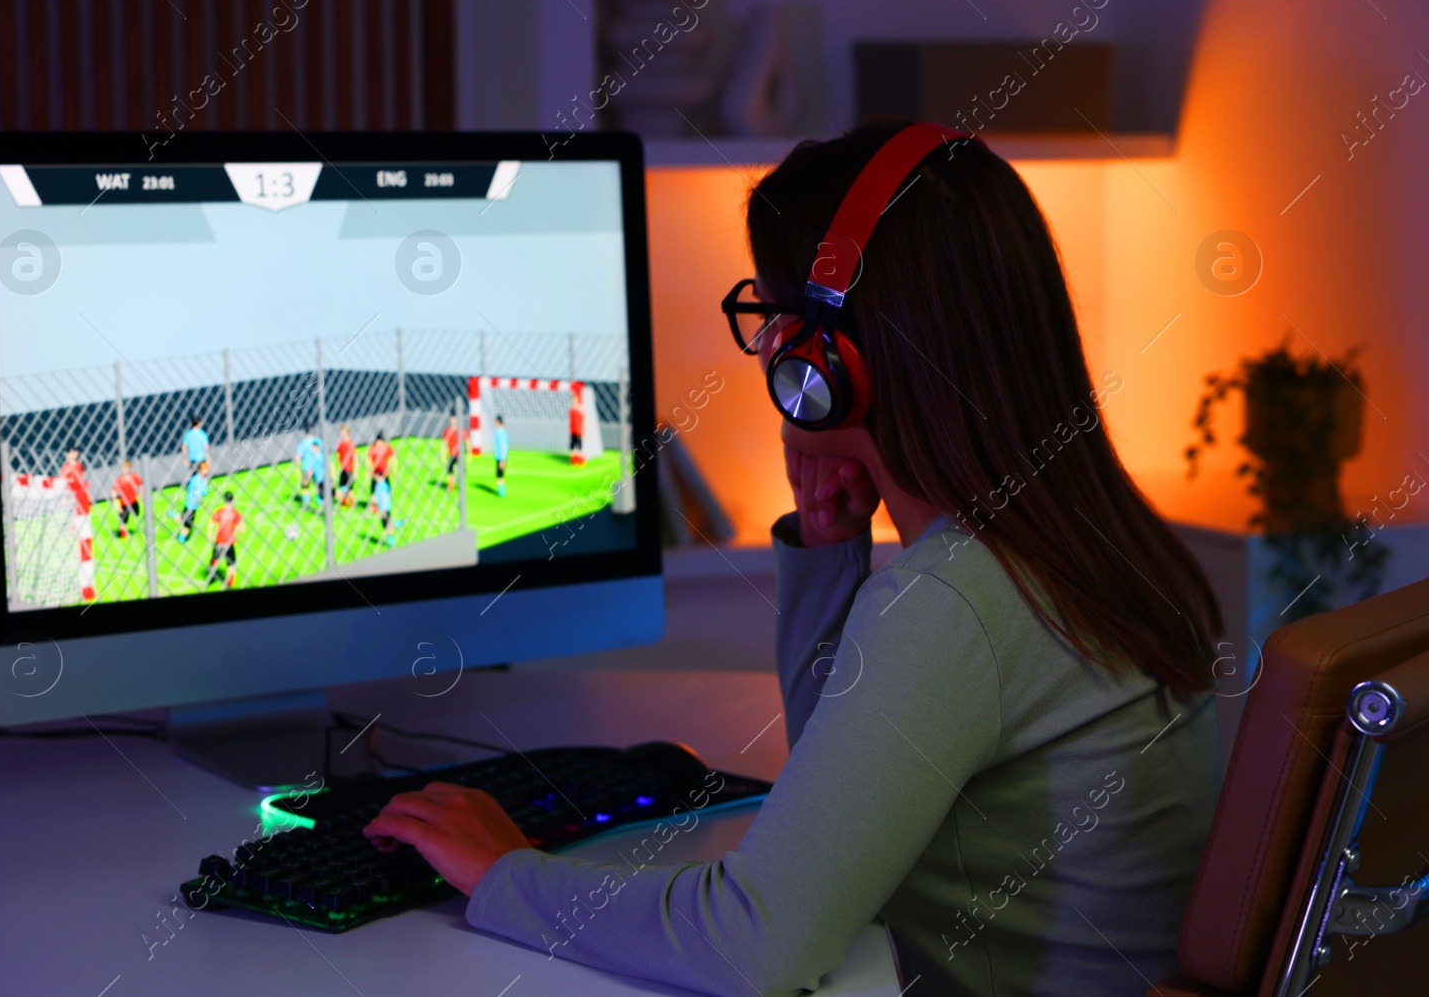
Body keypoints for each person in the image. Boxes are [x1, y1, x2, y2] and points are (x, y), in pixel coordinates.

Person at [359, 121, 1225, 995]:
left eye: (774, 313)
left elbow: (754, 944)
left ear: (828, 358)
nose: (769, 342)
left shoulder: (952, 599)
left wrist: (503, 870)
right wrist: (826, 552)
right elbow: (839, 800)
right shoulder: (1092, 540)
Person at [207, 491, 243, 588]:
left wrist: (209, 536)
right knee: (231, 563)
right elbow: (242, 530)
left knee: (215, 557)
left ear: (224, 500)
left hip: (219, 541)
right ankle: (230, 582)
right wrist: (237, 539)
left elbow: (211, 524)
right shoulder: (235, 513)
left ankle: (213, 563)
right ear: (233, 500)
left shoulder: (219, 511)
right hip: (229, 543)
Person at [178, 460, 209, 543]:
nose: (207, 471)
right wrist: (201, 503)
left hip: (189, 504)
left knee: (183, 520)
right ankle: (181, 540)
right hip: (192, 506)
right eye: (206, 470)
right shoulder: (199, 481)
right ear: (201, 470)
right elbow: (198, 494)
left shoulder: (195, 478)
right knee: (187, 526)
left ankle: (173, 515)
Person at [366, 430, 396, 514]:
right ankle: (375, 506)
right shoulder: (375, 447)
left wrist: (393, 469)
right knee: (374, 491)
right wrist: (368, 472)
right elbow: (368, 460)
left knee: (387, 489)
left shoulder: (385, 447)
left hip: (384, 472)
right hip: (376, 473)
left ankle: (384, 504)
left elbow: (393, 456)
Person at [111, 459, 143, 539]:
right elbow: (113, 494)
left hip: (133, 501)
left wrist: (142, 498)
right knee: (123, 521)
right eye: (123, 468)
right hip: (124, 503)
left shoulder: (133, 476)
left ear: (129, 468)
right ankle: (122, 536)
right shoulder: (119, 479)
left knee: (137, 515)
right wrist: (117, 506)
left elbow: (140, 484)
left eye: (126, 468)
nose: (124, 469)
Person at [297, 426, 324, 510]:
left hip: (308, 467)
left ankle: (307, 500)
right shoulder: (317, 441)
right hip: (315, 466)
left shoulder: (303, 443)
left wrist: (298, 468)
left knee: (306, 484)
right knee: (317, 483)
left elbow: (298, 456)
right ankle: (318, 499)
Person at [59, 447, 91, 515]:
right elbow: (63, 479)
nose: (76, 454)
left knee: (82, 511)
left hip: (80, 491)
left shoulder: (79, 465)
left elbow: (81, 478)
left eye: (76, 452)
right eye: (73, 452)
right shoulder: (66, 467)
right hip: (70, 492)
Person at [336, 424, 358, 508]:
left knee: (349, 488)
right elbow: (339, 455)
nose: (340, 432)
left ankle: (351, 503)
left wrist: (355, 471)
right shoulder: (340, 443)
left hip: (349, 469)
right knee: (342, 486)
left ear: (346, 432)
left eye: (342, 431)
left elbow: (354, 458)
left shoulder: (351, 444)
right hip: (343, 469)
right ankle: (344, 502)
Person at [442, 410, 464, 491]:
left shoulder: (460, 430)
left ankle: (459, 484)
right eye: (452, 418)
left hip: (459, 454)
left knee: (459, 469)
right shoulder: (448, 430)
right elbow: (444, 443)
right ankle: (450, 485)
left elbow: (466, 440)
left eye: (454, 418)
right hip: (451, 454)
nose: (453, 420)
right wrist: (443, 454)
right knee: (450, 470)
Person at [373, 474, 396, 549]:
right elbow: (389, 493)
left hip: (384, 509)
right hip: (386, 507)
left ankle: (391, 543)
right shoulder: (383, 484)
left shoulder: (379, 486)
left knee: (387, 527)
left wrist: (381, 509)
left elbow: (380, 497)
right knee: (387, 526)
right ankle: (397, 524)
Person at [566, 390, 585, 465]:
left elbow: (583, 420)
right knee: (572, 446)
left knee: (580, 446)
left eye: (575, 399)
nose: (573, 401)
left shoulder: (580, 409)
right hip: (573, 431)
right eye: (572, 400)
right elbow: (570, 421)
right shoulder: (571, 409)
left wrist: (583, 429)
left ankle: (581, 460)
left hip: (579, 431)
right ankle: (573, 459)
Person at [492, 415, 509, 497]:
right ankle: (501, 491)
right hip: (498, 456)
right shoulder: (498, 431)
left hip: (501, 457)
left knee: (500, 475)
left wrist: (503, 459)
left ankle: (501, 492)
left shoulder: (501, 433)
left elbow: (503, 446)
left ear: (498, 421)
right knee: (499, 475)